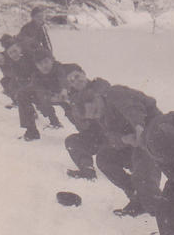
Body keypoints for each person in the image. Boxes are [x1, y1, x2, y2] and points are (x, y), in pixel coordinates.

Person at [74, 82, 162, 217]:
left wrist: (139, 128)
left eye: (96, 111)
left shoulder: (115, 93)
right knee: (104, 158)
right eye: (93, 117)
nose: (97, 116)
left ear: (97, 97)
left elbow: (132, 108)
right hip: (135, 144)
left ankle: (164, 218)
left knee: (143, 177)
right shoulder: (101, 115)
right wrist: (124, 139)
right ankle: (137, 196)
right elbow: (110, 135)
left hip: (153, 135)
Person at [17, 48, 81, 141]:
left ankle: (88, 132)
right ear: (36, 66)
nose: (44, 66)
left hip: (67, 95)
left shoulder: (60, 68)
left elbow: (62, 78)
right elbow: (39, 91)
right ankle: (31, 131)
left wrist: (64, 90)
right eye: (40, 64)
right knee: (22, 94)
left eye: (46, 62)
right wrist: (49, 98)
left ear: (52, 60)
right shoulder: (36, 75)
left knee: (75, 110)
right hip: (49, 97)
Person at [63, 70, 110, 180]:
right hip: (97, 137)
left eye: (77, 76)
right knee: (72, 140)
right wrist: (73, 110)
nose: (76, 81)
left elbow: (99, 91)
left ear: (84, 74)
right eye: (71, 81)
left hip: (113, 133)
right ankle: (87, 169)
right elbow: (82, 127)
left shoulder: (99, 84)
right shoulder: (74, 101)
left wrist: (76, 101)